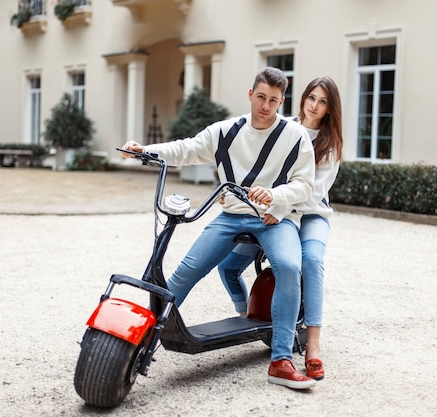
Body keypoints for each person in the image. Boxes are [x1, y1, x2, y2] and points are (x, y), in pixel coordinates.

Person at [122, 67, 317, 390]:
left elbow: (305, 185)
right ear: (250, 94)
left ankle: (281, 360)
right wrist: (146, 151)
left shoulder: (294, 136)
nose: (266, 106)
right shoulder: (226, 131)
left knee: (288, 265)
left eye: (273, 100)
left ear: (282, 101)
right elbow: (187, 148)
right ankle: (142, 339)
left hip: (273, 218)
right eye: (261, 97)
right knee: (186, 271)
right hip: (232, 215)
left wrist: (275, 196)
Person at [217, 76, 343, 381]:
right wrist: (233, 193)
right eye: (311, 97)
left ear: (329, 109)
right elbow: (251, 165)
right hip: (272, 210)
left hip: (309, 215)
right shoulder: (282, 127)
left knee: (310, 261)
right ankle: (245, 316)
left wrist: (278, 207)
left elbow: (311, 193)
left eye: (322, 101)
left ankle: (312, 346)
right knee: (228, 264)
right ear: (301, 99)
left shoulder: (330, 145)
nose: (314, 105)